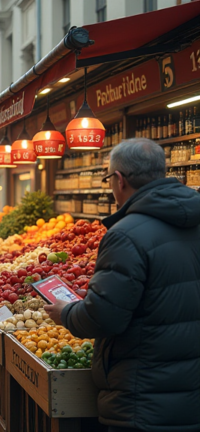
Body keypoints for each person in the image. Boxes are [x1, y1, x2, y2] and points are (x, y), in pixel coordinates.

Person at [44, 139, 200, 432]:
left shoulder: (125, 234)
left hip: (142, 394)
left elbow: (103, 317)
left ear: (118, 180)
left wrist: (66, 312)